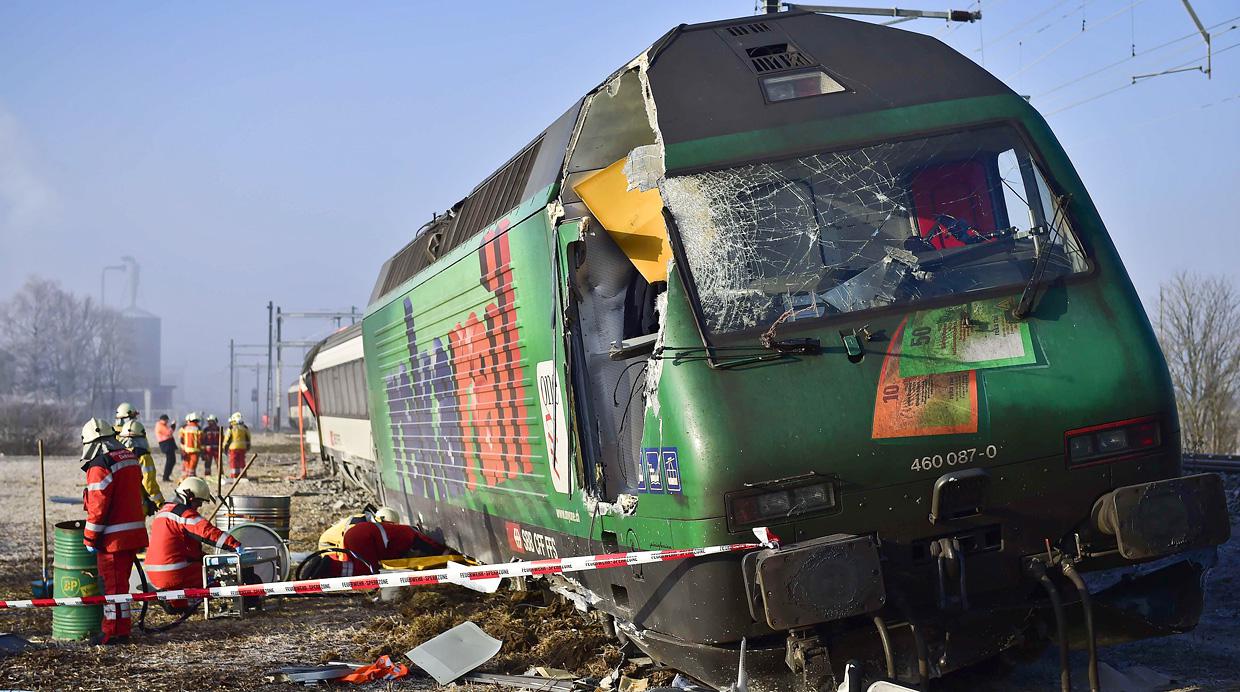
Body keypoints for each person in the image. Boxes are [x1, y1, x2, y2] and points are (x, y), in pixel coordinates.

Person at [80, 417, 149, 645]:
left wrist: (90, 537)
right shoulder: (129, 457)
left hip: (112, 540)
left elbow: (98, 506)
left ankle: (111, 632)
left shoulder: (100, 465)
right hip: (133, 534)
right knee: (121, 586)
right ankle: (122, 628)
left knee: (111, 586)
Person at [145, 477, 243, 611]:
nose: (199, 506)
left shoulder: (164, 511)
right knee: (214, 575)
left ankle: (176, 605)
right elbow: (207, 532)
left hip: (155, 573)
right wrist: (234, 544)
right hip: (174, 572)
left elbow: (186, 549)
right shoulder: (183, 514)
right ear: (189, 497)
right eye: (198, 502)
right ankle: (224, 601)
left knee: (194, 570)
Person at [301, 507, 445, 578]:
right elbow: (427, 543)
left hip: (353, 538)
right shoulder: (410, 533)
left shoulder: (384, 529)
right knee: (366, 570)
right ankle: (327, 567)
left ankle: (325, 569)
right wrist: (443, 552)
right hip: (334, 543)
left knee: (360, 568)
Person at [114, 403, 165, 515]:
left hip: (117, 499)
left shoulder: (112, 439)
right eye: (132, 417)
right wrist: (160, 503)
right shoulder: (142, 453)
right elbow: (149, 483)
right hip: (137, 500)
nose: (134, 420)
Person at [221, 412, 251, 480]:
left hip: (233, 448)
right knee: (242, 462)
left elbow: (227, 438)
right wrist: (248, 446)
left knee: (234, 462)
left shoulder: (231, 428)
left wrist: (224, 447)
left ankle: (234, 475)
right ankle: (243, 475)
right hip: (243, 448)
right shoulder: (244, 427)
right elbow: (248, 437)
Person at [178, 412, 202, 479]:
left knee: (186, 464)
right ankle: (191, 478)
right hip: (195, 450)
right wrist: (202, 449)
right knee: (192, 465)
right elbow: (200, 440)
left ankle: (184, 478)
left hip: (186, 450)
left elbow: (181, 439)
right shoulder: (198, 428)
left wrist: (182, 449)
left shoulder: (184, 428)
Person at [155, 414, 178, 482]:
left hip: (168, 443)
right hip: (166, 444)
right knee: (170, 461)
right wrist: (173, 425)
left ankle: (166, 476)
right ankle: (165, 477)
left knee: (172, 460)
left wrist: (172, 426)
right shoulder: (160, 425)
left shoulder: (163, 425)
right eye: (166, 420)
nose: (167, 421)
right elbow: (168, 432)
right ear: (163, 420)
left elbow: (170, 432)